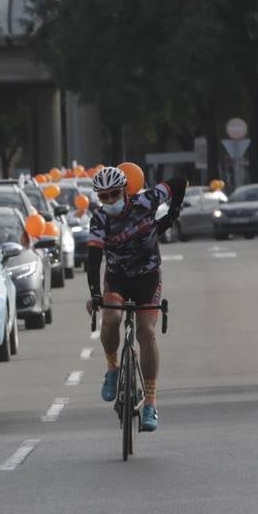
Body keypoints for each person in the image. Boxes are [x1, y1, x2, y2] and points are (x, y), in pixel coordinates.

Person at [85, 165, 187, 433]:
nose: (109, 201)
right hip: (117, 277)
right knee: (111, 318)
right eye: (103, 196)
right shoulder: (99, 219)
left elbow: (178, 180)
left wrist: (173, 212)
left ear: (126, 190)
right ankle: (112, 368)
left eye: (114, 194)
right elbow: (93, 259)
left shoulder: (146, 200)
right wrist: (95, 293)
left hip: (147, 277)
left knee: (146, 332)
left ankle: (151, 401)